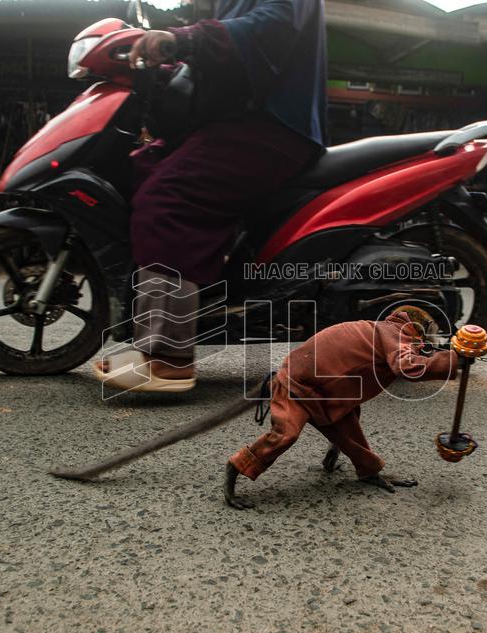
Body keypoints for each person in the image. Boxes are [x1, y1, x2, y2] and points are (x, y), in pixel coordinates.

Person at [95, 0, 327, 392]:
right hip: (237, 124)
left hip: (271, 126)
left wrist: (179, 38)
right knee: (144, 168)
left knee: (169, 201)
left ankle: (169, 359)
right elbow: (221, 56)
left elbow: (268, 27)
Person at [224, 306, 457, 509]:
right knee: (285, 435)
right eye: (430, 337)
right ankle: (234, 471)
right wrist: (455, 359)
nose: (428, 344)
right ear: (420, 327)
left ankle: (366, 470)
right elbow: (407, 366)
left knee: (348, 424)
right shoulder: (395, 334)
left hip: (321, 391)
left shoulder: (383, 329)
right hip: (296, 385)